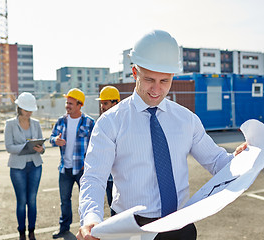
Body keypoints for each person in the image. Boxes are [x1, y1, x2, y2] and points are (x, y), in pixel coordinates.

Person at [77, 30, 247, 240]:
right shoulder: (110, 122)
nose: (156, 89)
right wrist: (91, 217)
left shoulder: (187, 119)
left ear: (173, 77)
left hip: (180, 225)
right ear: (134, 72)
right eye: (149, 79)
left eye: (164, 81)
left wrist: (241, 160)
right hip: (131, 229)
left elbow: (217, 161)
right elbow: (94, 177)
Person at [49, 88, 95, 239]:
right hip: (65, 169)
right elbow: (51, 137)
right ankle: (64, 228)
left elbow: (95, 146)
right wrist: (56, 140)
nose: (67, 106)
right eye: (66, 103)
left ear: (79, 105)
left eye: (70, 103)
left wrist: (86, 163)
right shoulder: (61, 120)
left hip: (82, 169)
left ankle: (87, 229)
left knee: (86, 201)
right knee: (64, 201)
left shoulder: (89, 122)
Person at [4, 92, 45, 240]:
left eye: (30, 110)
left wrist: (41, 149)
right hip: (17, 168)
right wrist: (26, 147)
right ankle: (22, 232)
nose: (29, 113)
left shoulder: (36, 123)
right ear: (19, 108)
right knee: (21, 201)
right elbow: (9, 147)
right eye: (26, 110)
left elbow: (42, 145)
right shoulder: (10, 124)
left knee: (32, 200)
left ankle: (32, 231)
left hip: (35, 166)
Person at [95, 86, 120, 216]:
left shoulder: (124, 122)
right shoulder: (101, 123)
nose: (102, 107)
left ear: (115, 103)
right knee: (113, 209)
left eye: (105, 103)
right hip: (108, 177)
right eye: (101, 104)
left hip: (121, 177)